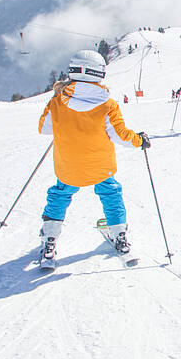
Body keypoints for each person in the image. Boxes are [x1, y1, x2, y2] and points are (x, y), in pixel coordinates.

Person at [36, 49, 151, 266]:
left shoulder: (58, 101)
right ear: (100, 73)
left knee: (60, 194)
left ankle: (50, 239)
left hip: (69, 166)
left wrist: (62, 120)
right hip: (101, 166)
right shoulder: (107, 104)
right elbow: (120, 136)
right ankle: (120, 235)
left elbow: (44, 128)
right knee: (110, 193)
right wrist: (139, 140)